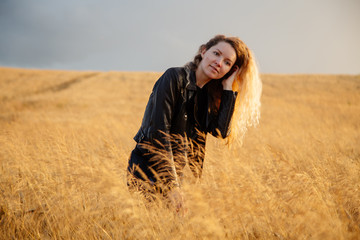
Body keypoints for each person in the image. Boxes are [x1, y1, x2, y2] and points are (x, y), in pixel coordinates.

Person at [127, 34, 262, 212]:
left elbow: (221, 131)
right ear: (203, 51)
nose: (219, 62)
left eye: (227, 63)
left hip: (179, 178)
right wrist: (172, 187)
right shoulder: (174, 78)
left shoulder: (208, 96)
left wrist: (228, 88)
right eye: (216, 54)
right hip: (147, 170)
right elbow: (158, 135)